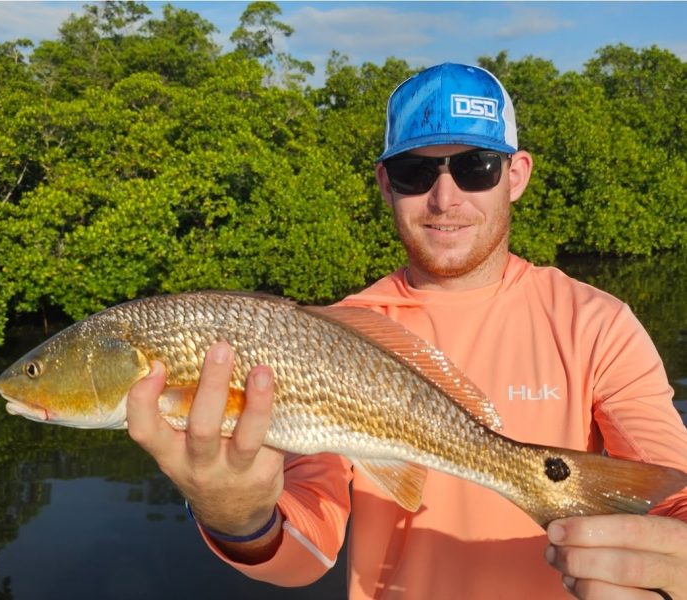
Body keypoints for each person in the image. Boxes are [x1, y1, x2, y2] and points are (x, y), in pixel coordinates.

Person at [126, 63, 687, 599]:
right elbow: (309, 546)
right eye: (415, 173)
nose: (445, 198)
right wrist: (236, 514)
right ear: (384, 183)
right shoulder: (325, 335)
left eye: (475, 168)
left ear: (515, 176)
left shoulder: (597, 322)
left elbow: (671, 492)